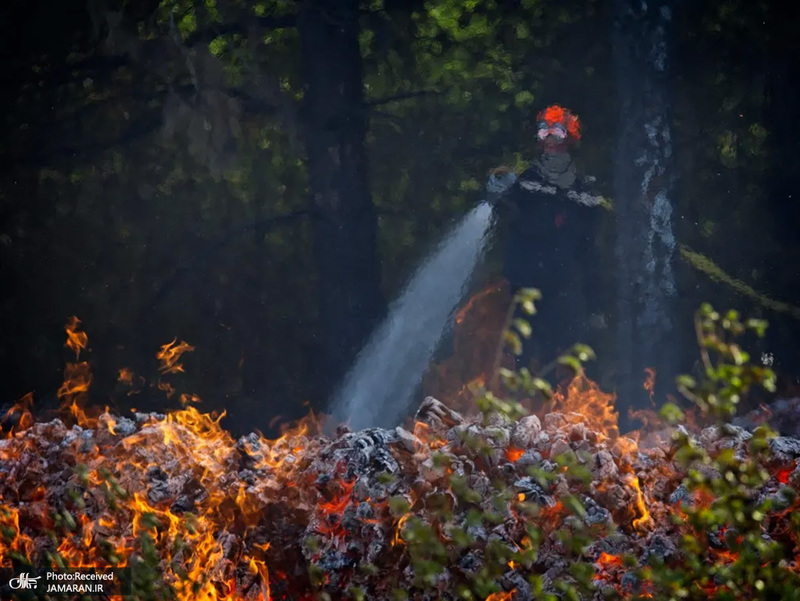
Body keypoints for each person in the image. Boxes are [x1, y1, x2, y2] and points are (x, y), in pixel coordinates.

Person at [486, 105, 608, 375]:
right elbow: (503, 216)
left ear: (570, 137)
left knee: (562, 355)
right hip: (524, 285)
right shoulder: (524, 183)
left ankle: (556, 410)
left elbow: (590, 251)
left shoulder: (584, 191)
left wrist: (596, 305)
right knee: (520, 352)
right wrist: (497, 196)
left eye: (557, 130)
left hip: (563, 287)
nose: (550, 137)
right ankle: (517, 412)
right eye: (544, 130)